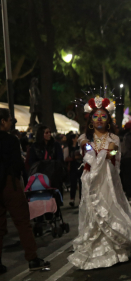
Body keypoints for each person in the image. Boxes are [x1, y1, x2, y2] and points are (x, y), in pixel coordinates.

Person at [68, 97, 131, 270]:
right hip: (92, 181)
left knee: (111, 210)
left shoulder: (114, 137)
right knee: (94, 212)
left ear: (108, 119)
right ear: (90, 119)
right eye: (95, 116)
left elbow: (114, 151)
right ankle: (96, 252)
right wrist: (96, 151)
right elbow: (87, 150)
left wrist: (106, 152)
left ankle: (116, 250)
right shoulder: (85, 138)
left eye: (103, 116)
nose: (99, 119)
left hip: (109, 181)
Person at [0, 109, 51, 273]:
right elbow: (18, 164)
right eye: (9, 120)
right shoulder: (11, 140)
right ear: (2, 121)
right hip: (9, 184)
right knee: (22, 222)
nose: (10, 123)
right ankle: (32, 258)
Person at [28, 125, 65, 196]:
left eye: (49, 132)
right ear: (41, 134)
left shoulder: (55, 145)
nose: (49, 134)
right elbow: (32, 161)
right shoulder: (35, 146)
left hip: (54, 174)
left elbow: (60, 159)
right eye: (46, 132)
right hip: (40, 175)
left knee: (55, 196)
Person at [64, 133, 83, 207]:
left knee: (81, 184)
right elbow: (65, 158)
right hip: (73, 168)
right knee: (73, 184)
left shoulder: (80, 147)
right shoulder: (68, 148)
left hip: (80, 167)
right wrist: (75, 158)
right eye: (76, 137)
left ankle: (81, 199)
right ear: (73, 139)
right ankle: (72, 199)